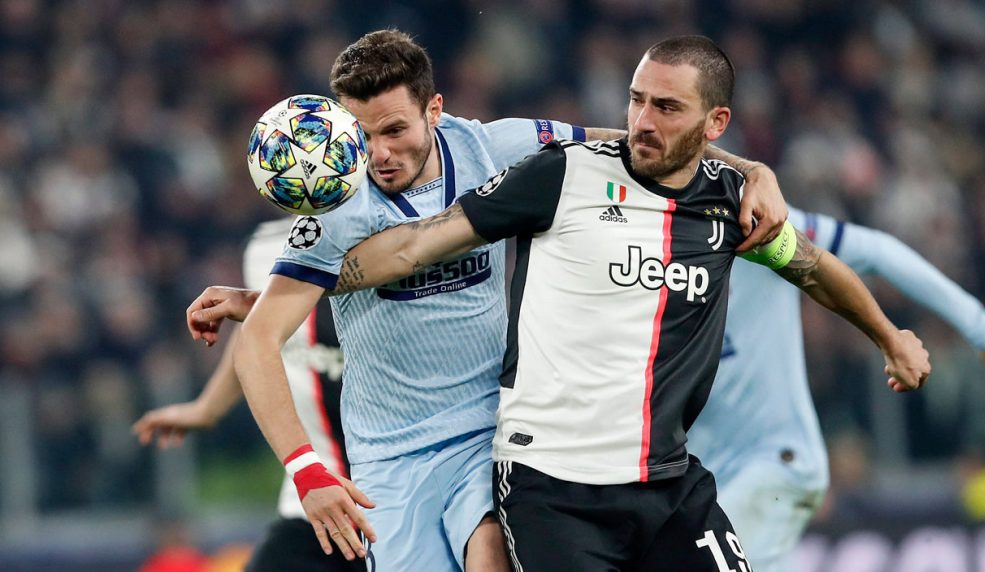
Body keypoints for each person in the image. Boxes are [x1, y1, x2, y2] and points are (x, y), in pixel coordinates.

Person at [212, 35, 931, 570]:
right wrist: (307, 466)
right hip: (389, 455)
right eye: (361, 135)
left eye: (395, 130)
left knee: (490, 553)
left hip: (490, 428)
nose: (378, 153)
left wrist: (751, 169)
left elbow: (633, 146)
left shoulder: (500, 149)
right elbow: (274, 335)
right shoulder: (331, 205)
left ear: (435, 109)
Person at [688, 206, 985, 572]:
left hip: (772, 463)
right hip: (699, 483)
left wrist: (984, 329)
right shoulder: (643, 254)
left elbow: (877, 251)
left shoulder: (754, 223)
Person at [134, 218, 367, 572]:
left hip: (391, 492)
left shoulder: (380, 227)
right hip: (311, 498)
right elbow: (259, 335)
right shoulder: (263, 246)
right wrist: (206, 408)